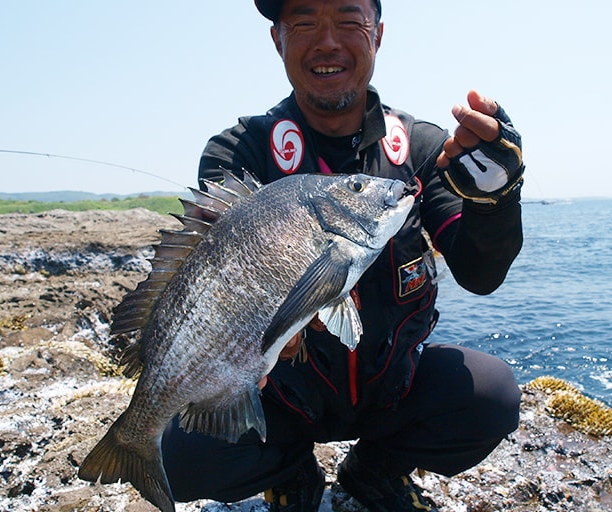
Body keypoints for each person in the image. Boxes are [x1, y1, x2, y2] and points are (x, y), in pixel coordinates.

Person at [161, 1, 525, 510]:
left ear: (376, 34)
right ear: (277, 39)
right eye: (305, 22)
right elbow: (215, 276)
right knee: (180, 458)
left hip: (392, 392)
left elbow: (482, 272)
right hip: (282, 400)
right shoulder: (239, 151)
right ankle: (292, 474)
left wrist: (497, 200)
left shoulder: (421, 149)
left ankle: (374, 470)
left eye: (349, 20)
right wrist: (255, 330)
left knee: (492, 397)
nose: (327, 41)